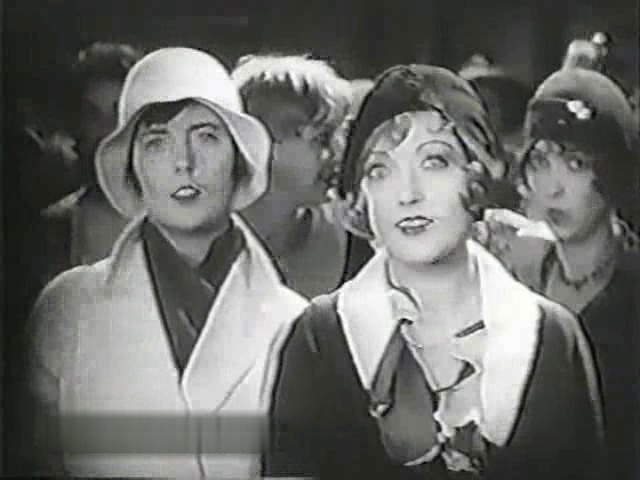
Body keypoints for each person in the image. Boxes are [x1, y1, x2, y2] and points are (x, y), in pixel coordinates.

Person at [266, 64, 605, 480]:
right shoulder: (320, 334)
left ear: (476, 176)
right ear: (363, 195)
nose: (408, 194)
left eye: (435, 162)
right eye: (380, 170)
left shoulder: (549, 334)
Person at [22, 47, 308, 478]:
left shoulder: (296, 324)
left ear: (239, 160)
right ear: (131, 168)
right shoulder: (67, 308)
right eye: (157, 142)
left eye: (206, 137)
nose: (184, 163)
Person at [493, 34, 640, 480]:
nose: (552, 188)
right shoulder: (516, 283)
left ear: (612, 171)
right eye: (540, 163)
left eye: (575, 164)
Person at [232, 54, 354, 297]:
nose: (337, 153)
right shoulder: (194, 238)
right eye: (320, 139)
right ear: (259, 143)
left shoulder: (352, 234)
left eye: (339, 136)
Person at [38, 42, 144, 286]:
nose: (107, 131)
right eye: (93, 114)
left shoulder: (186, 218)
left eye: (118, 114)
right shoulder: (58, 228)